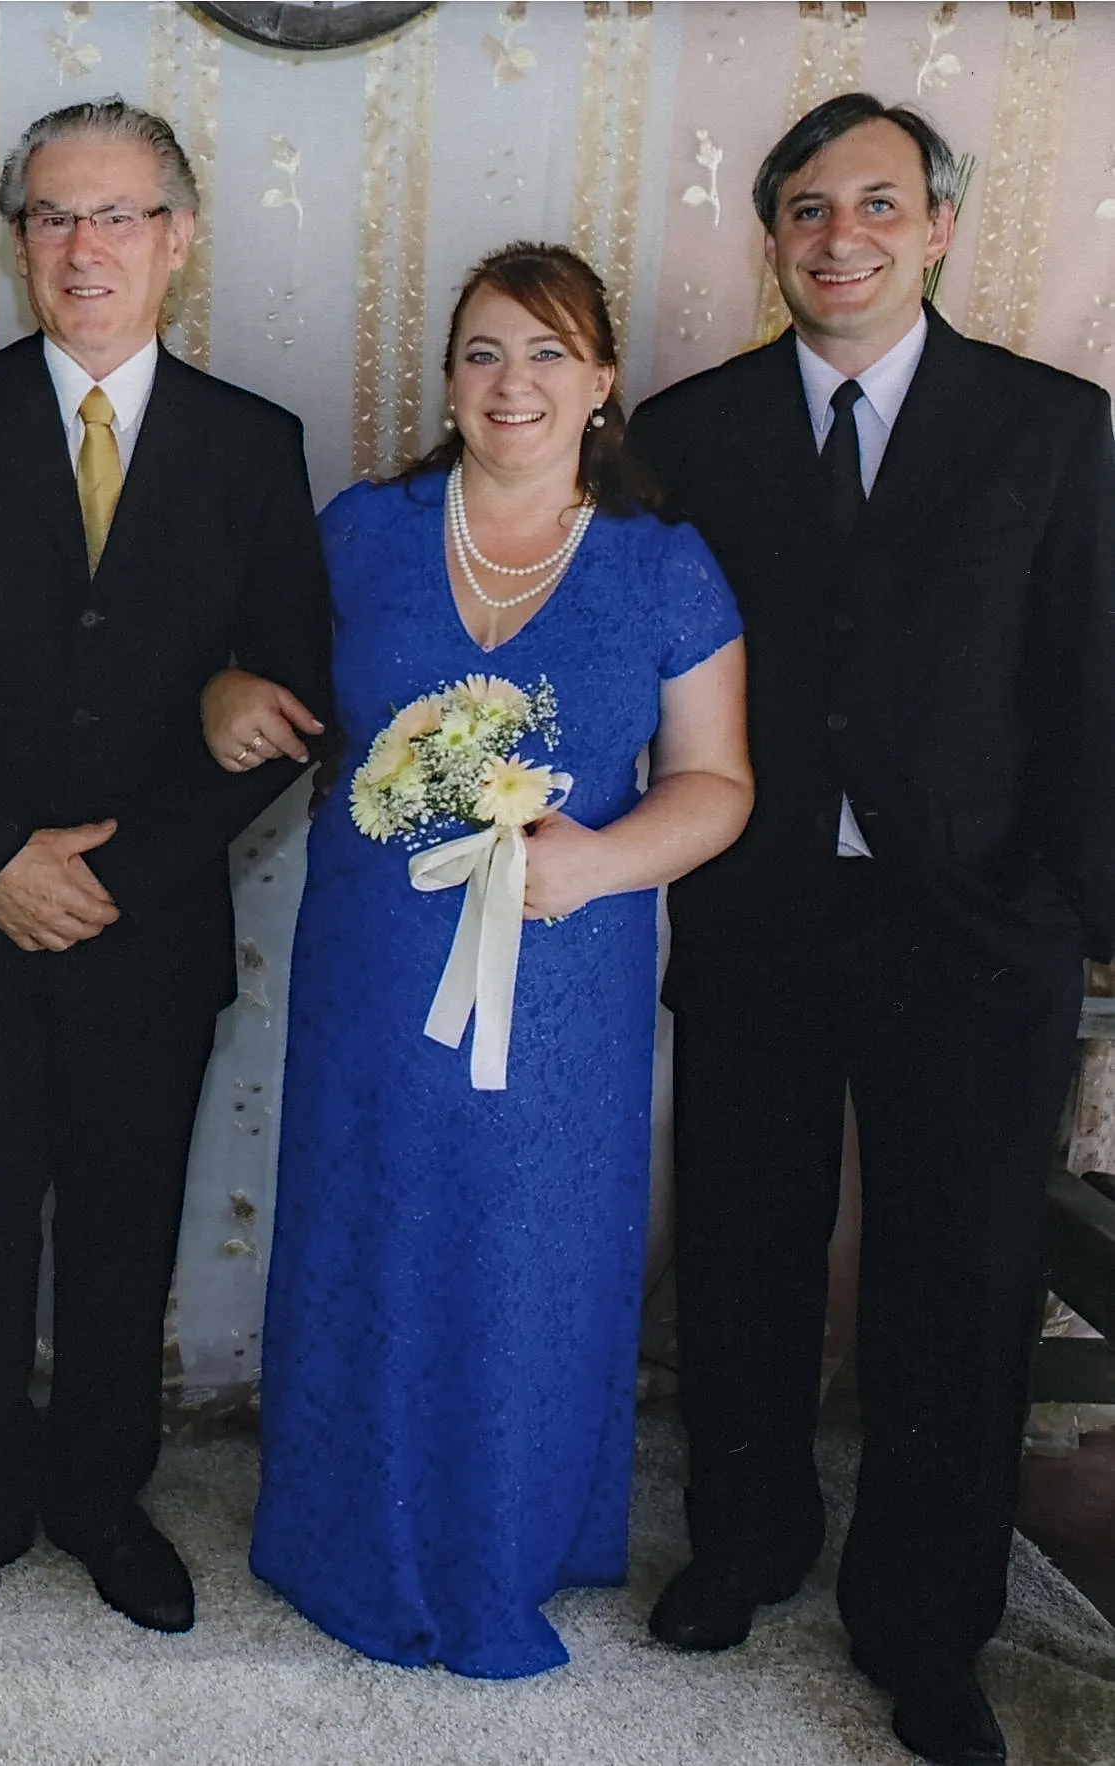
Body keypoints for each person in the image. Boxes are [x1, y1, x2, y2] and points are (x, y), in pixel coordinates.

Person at [631, 94, 1115, 1766]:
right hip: (759, 906)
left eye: (880, 204)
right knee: (744, 1247)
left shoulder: (1051, 425)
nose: (843, 236)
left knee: (958, 1283)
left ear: (939, 227)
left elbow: (1089, 680)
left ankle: (928, 1626)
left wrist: (1090, 909)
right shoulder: (690, 429)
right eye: (809, 209)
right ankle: (746, 1543)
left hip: (978, 926)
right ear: (772, 238)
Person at [212, 243, 751, 1679]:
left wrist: (599, 861)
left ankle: (507, 1542)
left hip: (566, 974)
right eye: (484, 353)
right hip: (376, 966)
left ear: (603, 381)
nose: (515, 382)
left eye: (549, 353)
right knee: (375, 1225)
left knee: (528, 1250)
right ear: (450, 379)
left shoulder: (665, 565)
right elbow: (249, 674)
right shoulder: (361, 533)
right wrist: (227, 694)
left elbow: (717, 783)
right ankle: (347, 1535)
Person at [0, 98, 333, 1641]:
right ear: (19, 241)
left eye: (117, 215)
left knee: (127, 1231)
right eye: (53, 216)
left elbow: (290, 696)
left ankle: (102, 1496)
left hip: (149, 922)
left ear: (177, 239)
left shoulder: (255, 446)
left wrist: (115, 869)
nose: (84, 247)